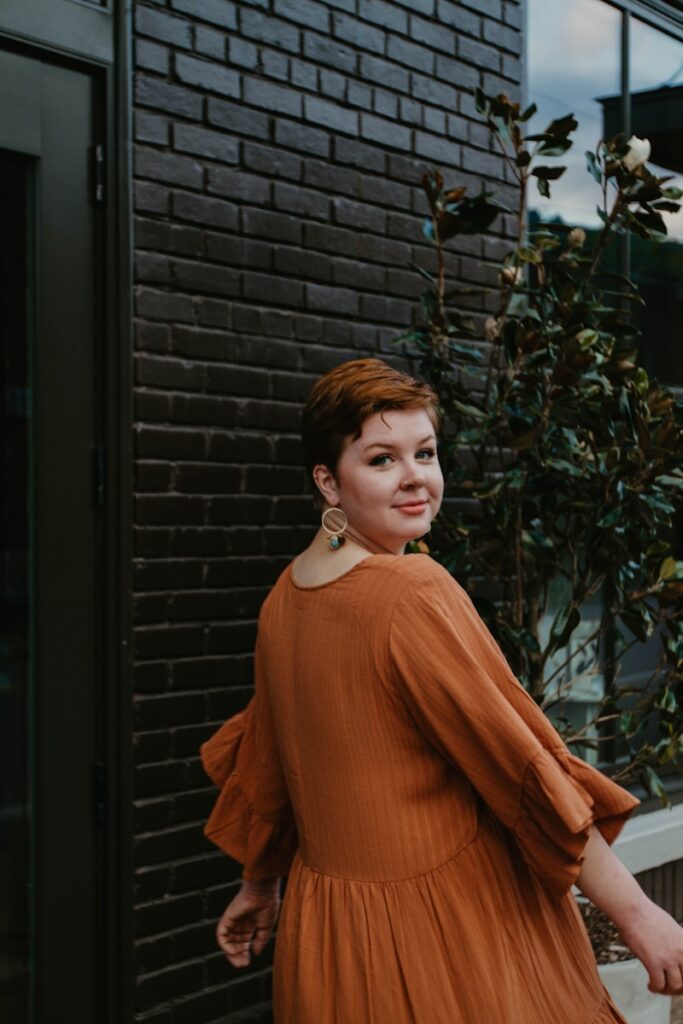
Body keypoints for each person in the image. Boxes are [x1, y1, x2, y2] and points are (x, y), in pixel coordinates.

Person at [198, 357, 683, 1023]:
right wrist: (639, 916)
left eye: (424, 452)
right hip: (444, 930)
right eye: (380, 459)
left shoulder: (286, 596)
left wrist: (259, 883)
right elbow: (522, 767)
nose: (415, 479)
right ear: (327, 481)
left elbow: (275, 762)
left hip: (329, 933)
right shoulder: (412, 592)